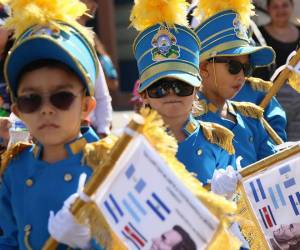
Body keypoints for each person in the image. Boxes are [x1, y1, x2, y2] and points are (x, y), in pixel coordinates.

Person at [0, 0, 105, 249]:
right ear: (18, 112)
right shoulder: (15, 170)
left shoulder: (107, 167)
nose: (46, 109)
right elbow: (8, 240)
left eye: (62, 97)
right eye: (31, 100)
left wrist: (92, 241)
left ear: (86, 107)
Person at [130, 0, 237, 188]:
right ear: (144, 93)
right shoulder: (131, 146)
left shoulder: (218, 140)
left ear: (197, 89)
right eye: (159, 88)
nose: (171, 93)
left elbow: (237, 204)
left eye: (182, 86)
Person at [193, 0, 278, 168]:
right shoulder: (190, 122)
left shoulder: (252, 118)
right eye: (233, 67)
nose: (241, 76)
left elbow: (274, 167)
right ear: (204, 67)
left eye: (247, 68)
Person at [254, 0, 300, 141]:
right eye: (275, 6)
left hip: (298, 96)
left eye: (284, 5)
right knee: (277, 141)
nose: (280, 10)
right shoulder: (259, 35)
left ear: (292, 7)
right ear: (268, 9)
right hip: (272, 96)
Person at [78, 0, 114, 137]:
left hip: (90, 131)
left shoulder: (91, 42)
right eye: (91, 0)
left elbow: (103, 95)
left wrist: (103, 129)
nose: (95, 5)